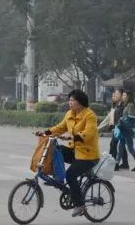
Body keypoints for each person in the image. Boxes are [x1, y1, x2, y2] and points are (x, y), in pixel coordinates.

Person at [38, 89, 99, 217]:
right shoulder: (69, 114)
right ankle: (58, 179)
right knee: (56, 149)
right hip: (74, 151)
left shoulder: (90, 115)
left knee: (70, 175)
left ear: (80, 102)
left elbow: (90, 132)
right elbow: (60, 128)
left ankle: (80, 205)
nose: (70, 103)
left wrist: (74, 137)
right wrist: (45, 132)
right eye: (69, 100)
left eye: (73, 100)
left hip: (88, 155)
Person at [99, 89, 125, 170]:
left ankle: (113, 165)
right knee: (120, 146)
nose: (115, 95)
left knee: (113, 145)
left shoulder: (122, 105)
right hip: (116, 128)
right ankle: (123, 164)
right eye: (114, 94)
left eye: (117, 94)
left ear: (121, 95)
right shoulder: (117, 105)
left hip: (120, 128)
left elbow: (121, 117)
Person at [117, 90, 135, 171]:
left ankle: (116, 164)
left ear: (128, 96)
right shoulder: (126, 105)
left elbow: (132, 116)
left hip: (127, 129)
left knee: (130, 148)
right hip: (124, 128)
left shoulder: (131, 105)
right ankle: (116, 164)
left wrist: (123, 118)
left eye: (124, 95)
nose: (123, 96)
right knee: (120, 147)